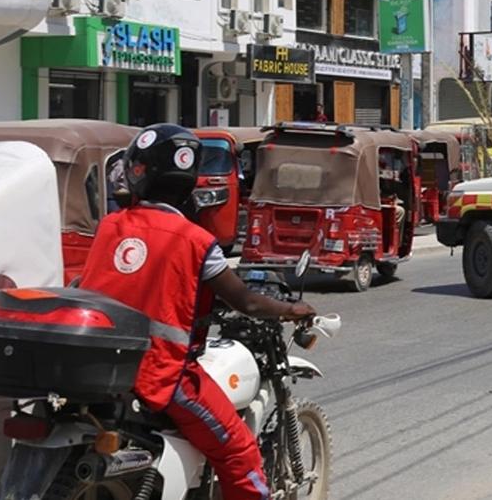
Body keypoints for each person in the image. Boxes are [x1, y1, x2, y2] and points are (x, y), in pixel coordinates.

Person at [79, 124, 315, 500]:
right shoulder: (197, 241)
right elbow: (247, 302)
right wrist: (291, 308)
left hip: (101, 366)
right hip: (161, 374)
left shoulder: (110, 226)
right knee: (239, 451)